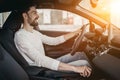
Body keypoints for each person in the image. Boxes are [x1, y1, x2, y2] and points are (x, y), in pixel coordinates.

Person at [14, 3, 92, 77]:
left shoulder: (34, 32)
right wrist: (75, 68)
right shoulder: (20, 36)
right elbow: (40, 59)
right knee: (84, 63)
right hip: (41, 70)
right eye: (34, 13)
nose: (38, 16)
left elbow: (54, 41)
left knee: (80, 54)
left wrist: (75, 32)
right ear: (25, 16)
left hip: (46, 64)